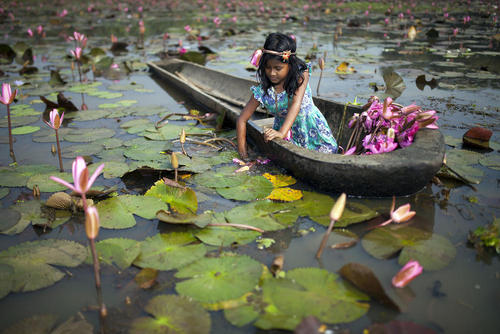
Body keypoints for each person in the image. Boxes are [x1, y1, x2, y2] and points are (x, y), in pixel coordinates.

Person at [237, 32, 338, 161]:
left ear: (290, 65)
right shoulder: (262, 90)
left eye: (278, 68)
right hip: (287, 136)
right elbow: (241, 120)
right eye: (268, 68)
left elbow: (295, 103)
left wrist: (281, 133)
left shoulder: (301, 76)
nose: (272, 73)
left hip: (311, 132)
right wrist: (243, 155)